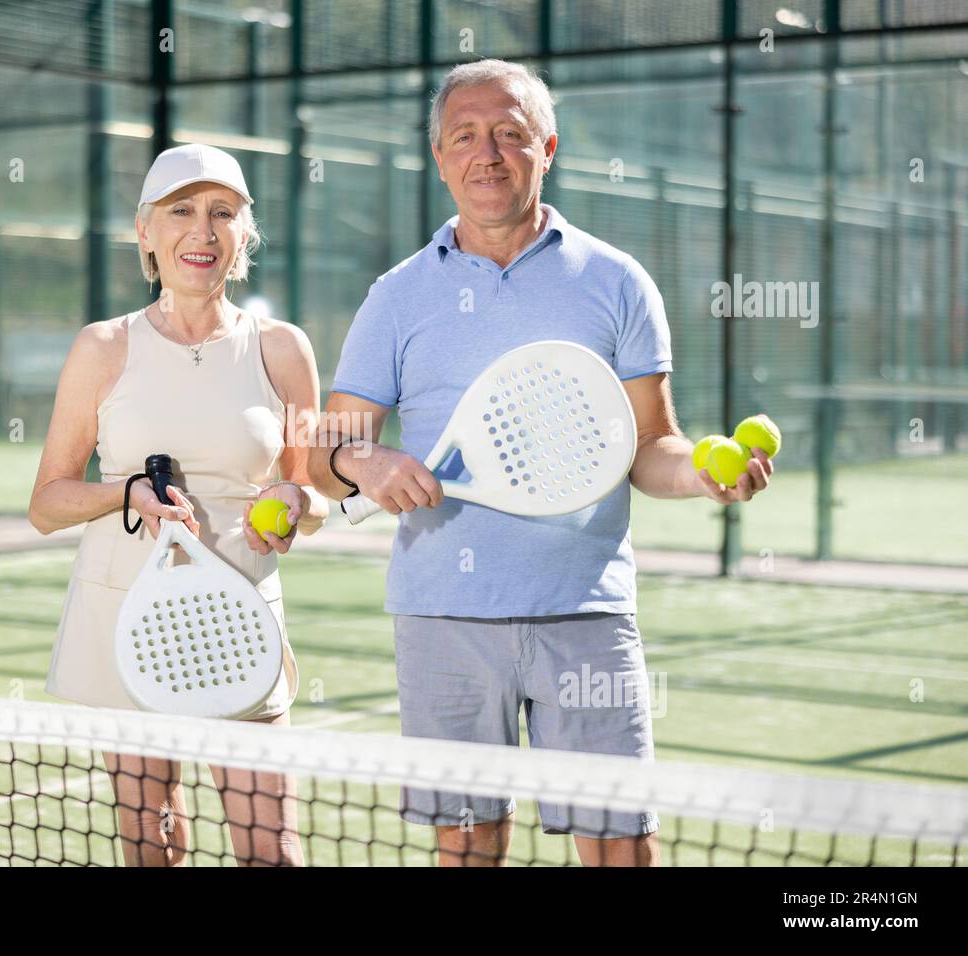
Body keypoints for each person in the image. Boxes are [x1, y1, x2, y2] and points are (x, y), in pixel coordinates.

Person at [307, 59, 773, 867]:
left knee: (622, 845)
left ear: (546, 148)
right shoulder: (395, 296)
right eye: (465, 136)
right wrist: (369, 462)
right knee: (466, 845)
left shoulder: (618, 282)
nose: (487, 153)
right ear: (440, 157)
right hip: (443, 616)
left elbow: (649, 446)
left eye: (510, 134)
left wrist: (699, 473)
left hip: (585, 614)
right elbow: (323, 457)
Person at [29, 143, 327, 866]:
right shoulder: (101, 348)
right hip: (124, 618)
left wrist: (296, 502)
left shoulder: (284, 349)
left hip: (240, 621)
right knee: (153, 849)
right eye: (182, 212)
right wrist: (123, 492)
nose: (202, 231)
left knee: (273, 853)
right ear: (146, 233)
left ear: (243, 235)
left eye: (222, 213)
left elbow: (313, 491)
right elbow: (46, 502)